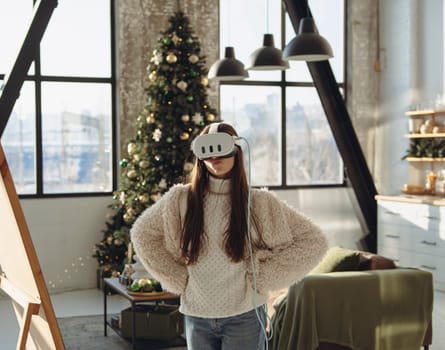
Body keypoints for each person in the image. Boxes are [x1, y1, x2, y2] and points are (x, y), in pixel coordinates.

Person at [130, 122, 328, 350]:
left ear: (236, 150)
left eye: (222, 148)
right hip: (197, 314)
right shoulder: (180, 199)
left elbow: (314, 241)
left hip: (244, 315)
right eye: (207, 150)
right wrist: (177, 278)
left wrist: (263, 278)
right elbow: (142, 234)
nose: (215, 157)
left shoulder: (259, 203)